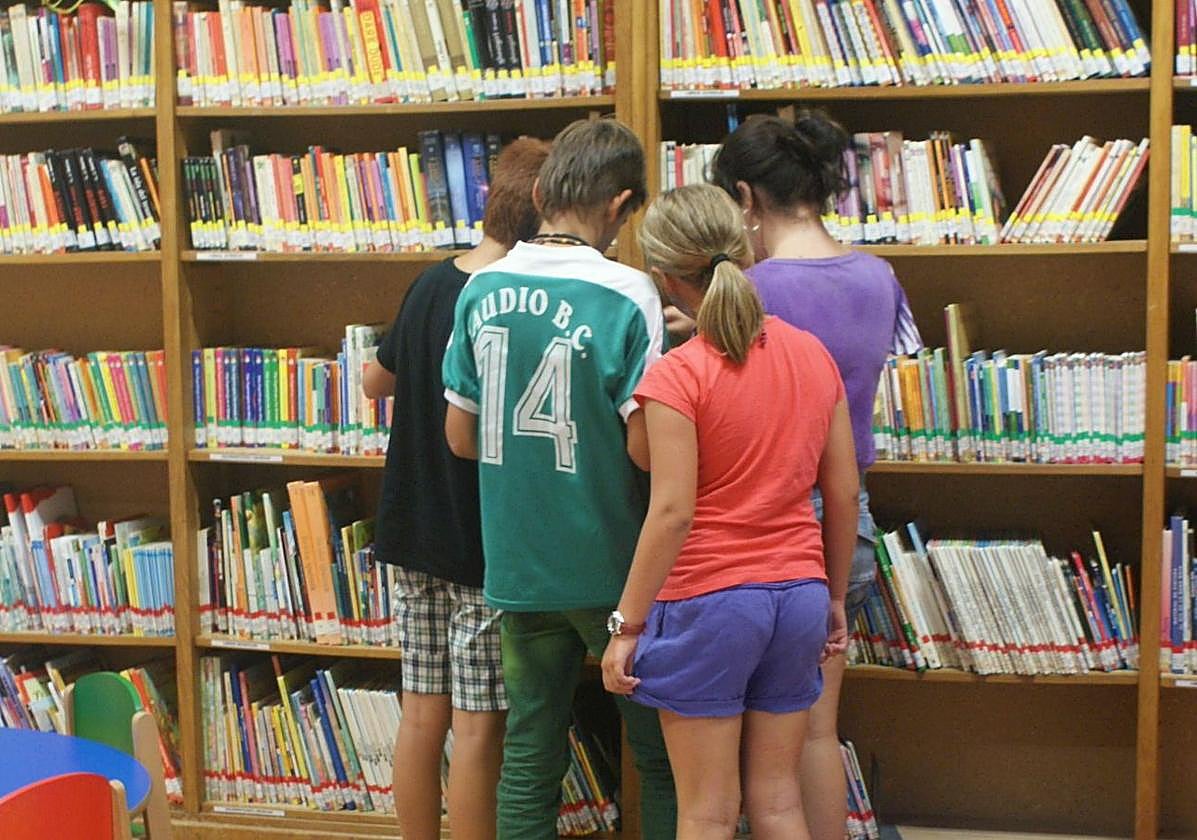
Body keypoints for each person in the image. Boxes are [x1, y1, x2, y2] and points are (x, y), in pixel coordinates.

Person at [441, 117, 677, 840]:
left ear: (541, 190)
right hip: (611, 565)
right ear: (619, 206)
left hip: (517, 563)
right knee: (658, 755)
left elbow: (459, 436)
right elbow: (645, 451)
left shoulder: (480, 289)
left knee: (530, 750)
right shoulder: (629, 293)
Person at [600, 183, 858, 840]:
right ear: (743, 251)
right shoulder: (811, 354)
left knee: (707, 812)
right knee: (778, 801)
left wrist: (626, 626)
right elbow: (844, 493)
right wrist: (830, 596)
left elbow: (672, 513)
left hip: (709, 600)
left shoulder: (677, 375)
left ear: (661, 277)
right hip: (798, 594)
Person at [710, 110, 922, 840]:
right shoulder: (878, 275)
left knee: (742, 743)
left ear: (744, 196)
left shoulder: (747, 290)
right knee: (813, 731)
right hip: (846, 520)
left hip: (756, 527)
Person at [363, 137, 552, 840]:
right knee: (477, 732)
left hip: (409, 533)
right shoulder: (511, 300)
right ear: (544, 209)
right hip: (476, 542)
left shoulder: (431, 282)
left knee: (420, 715)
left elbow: (373, 380)